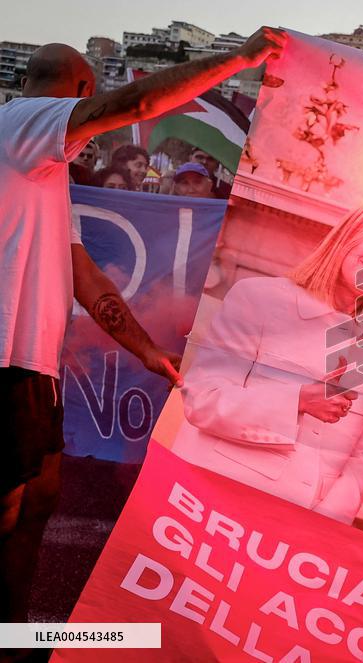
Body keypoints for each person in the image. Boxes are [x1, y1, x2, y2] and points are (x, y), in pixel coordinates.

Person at [0, 28, 286, 625]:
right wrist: (244, 57)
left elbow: (86, 277)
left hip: (32, 370)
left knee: (41, 496)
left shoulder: (42, 175)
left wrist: (147, 350)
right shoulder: (22, 123)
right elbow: (134, 105)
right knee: (7, 510)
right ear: (80, 90)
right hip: (6, 364)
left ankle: (16, 632)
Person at [171, 199, 363, 524]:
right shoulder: (260, 299)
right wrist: (299, 400)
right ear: (352, 233)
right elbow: (202, 400)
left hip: (292, 538)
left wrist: (324, 522)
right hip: (210, 506)